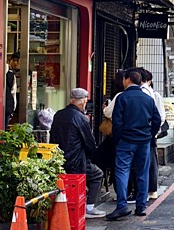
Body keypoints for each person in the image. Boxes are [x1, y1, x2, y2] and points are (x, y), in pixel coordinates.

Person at [106, 69, 161, 221]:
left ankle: (122, 205)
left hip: (125, 140)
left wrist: (117, 140)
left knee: (122, 171)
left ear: (128, 79)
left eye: (124, 79)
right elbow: (157, 120)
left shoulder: (122, 98)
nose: (122, 81)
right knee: (142, 173)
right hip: (144, 141)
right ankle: (141, 206)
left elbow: (117, 123)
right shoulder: (148, 99)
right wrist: (150, 134)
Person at [49, 88, 106, 218]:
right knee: (97, 174)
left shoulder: (59, 114)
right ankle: (89, 207)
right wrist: (93, 157)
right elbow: (90, 143)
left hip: (59, 160)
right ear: (83, 102)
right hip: (76, 161)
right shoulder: (81, 118)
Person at [139, 67, 165, 202]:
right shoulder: (149, 93)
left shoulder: (153, 95)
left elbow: (160, 116)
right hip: (148, 133)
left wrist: (154, 132)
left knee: (150, 162)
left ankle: (152, 190)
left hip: (148, 133)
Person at [5, 52, 20, 127]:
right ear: (9, 61)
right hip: (8, 107)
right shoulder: (11, 75)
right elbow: (13, 93)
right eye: (13, 60)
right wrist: (12, 110)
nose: (15, 63)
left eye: (17, 61)